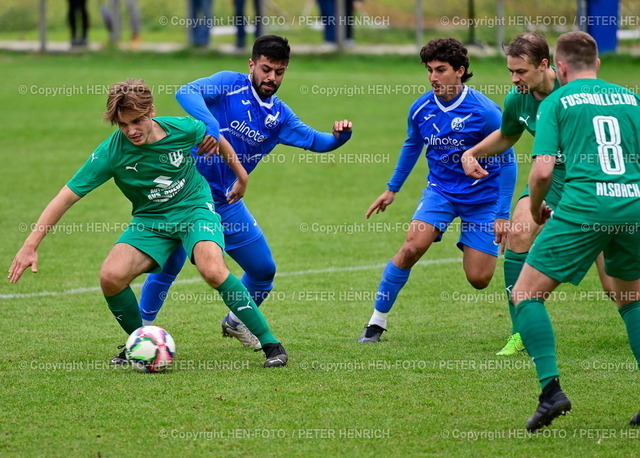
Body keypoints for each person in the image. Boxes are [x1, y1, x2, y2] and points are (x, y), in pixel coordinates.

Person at [7, 78, 288, 368]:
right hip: (151, 220)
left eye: (137, 121)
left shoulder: (182, 128)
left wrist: (241, 176)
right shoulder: (111, 152)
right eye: (123, 124)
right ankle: (140, 342)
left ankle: (271, 344)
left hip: (194, 208)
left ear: (151, 111)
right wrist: (30, 245)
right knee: (111, 277)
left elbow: (217, 139)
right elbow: (65, 198)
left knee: (213, 270)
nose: (131, 130)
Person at [138, 35, 352, 348]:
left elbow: (316, 141)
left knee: (263, 271)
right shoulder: (229, 84)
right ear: (251, 64)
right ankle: (139, 334)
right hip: (185, 195)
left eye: (279, 72)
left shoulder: (279, 117)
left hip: (226, 201)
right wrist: (210, 125)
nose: (272, 77)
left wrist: (339, 138)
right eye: (266, 69)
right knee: (168, 264)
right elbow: (186, 92)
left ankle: (236, 322)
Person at [509, 31, 640, 431]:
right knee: (631, 299)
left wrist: (536, 208)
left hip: (584, 207)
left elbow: (542, 171)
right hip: (632, 205)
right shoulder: (631, 98)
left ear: (560, 67)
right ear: (597, 63)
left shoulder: (557, 100)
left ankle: (551, 392)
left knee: (526, 294)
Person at [461, 33, 614, 356]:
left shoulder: (574, 91)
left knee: (615, 288)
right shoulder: (518, 98)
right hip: (551, 181)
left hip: (591, 185)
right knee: (517, 233)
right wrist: (473, 152)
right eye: (511, 71)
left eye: (521, 71)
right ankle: (521, 331)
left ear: (545, 65)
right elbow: (508, 134)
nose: (514, 79)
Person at [357, 37, 517, 343]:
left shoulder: (485, 112)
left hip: (483, 199)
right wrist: (392, 189)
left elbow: (508, 162)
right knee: (411, 248)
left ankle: (475, 240)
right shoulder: (421, 108)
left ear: (460, 71)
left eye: (440, 69)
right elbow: (412, 145)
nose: (433, 76)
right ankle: (376, 322)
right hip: (440, 193)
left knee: (479, 279)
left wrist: (502, 214)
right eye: (429, 70)